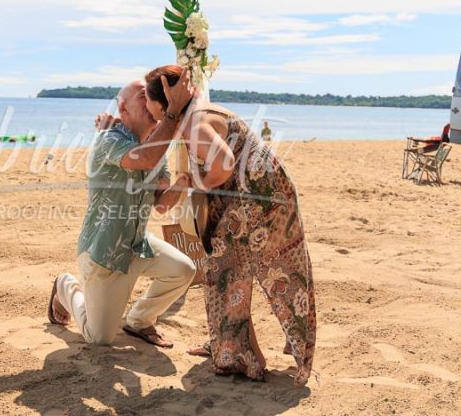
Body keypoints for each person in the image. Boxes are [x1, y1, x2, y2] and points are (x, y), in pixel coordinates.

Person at [143, 65, 316, 386]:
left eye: (147, 99)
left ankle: (241, 354)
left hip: (258, 198)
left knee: (229, 271)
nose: (145, 106)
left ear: (164, 99)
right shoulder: (193, 115)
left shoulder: (195, 122)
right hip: (259, 193)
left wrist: (189, 182)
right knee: (232, 270)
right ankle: (233, 348)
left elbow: (222, 164)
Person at [48, 72, 197, 348]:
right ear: (123, 108)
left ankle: (139, 320)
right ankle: (65, 286)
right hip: (104, 253)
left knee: (184, 270)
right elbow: (146, 158)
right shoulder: (109, 140)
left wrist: (181, 185)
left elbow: (162, 204)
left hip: (138, 245)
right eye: (144, 96)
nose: (153, 100)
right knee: (99, 337)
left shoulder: (155, 148)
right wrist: (173, 112)